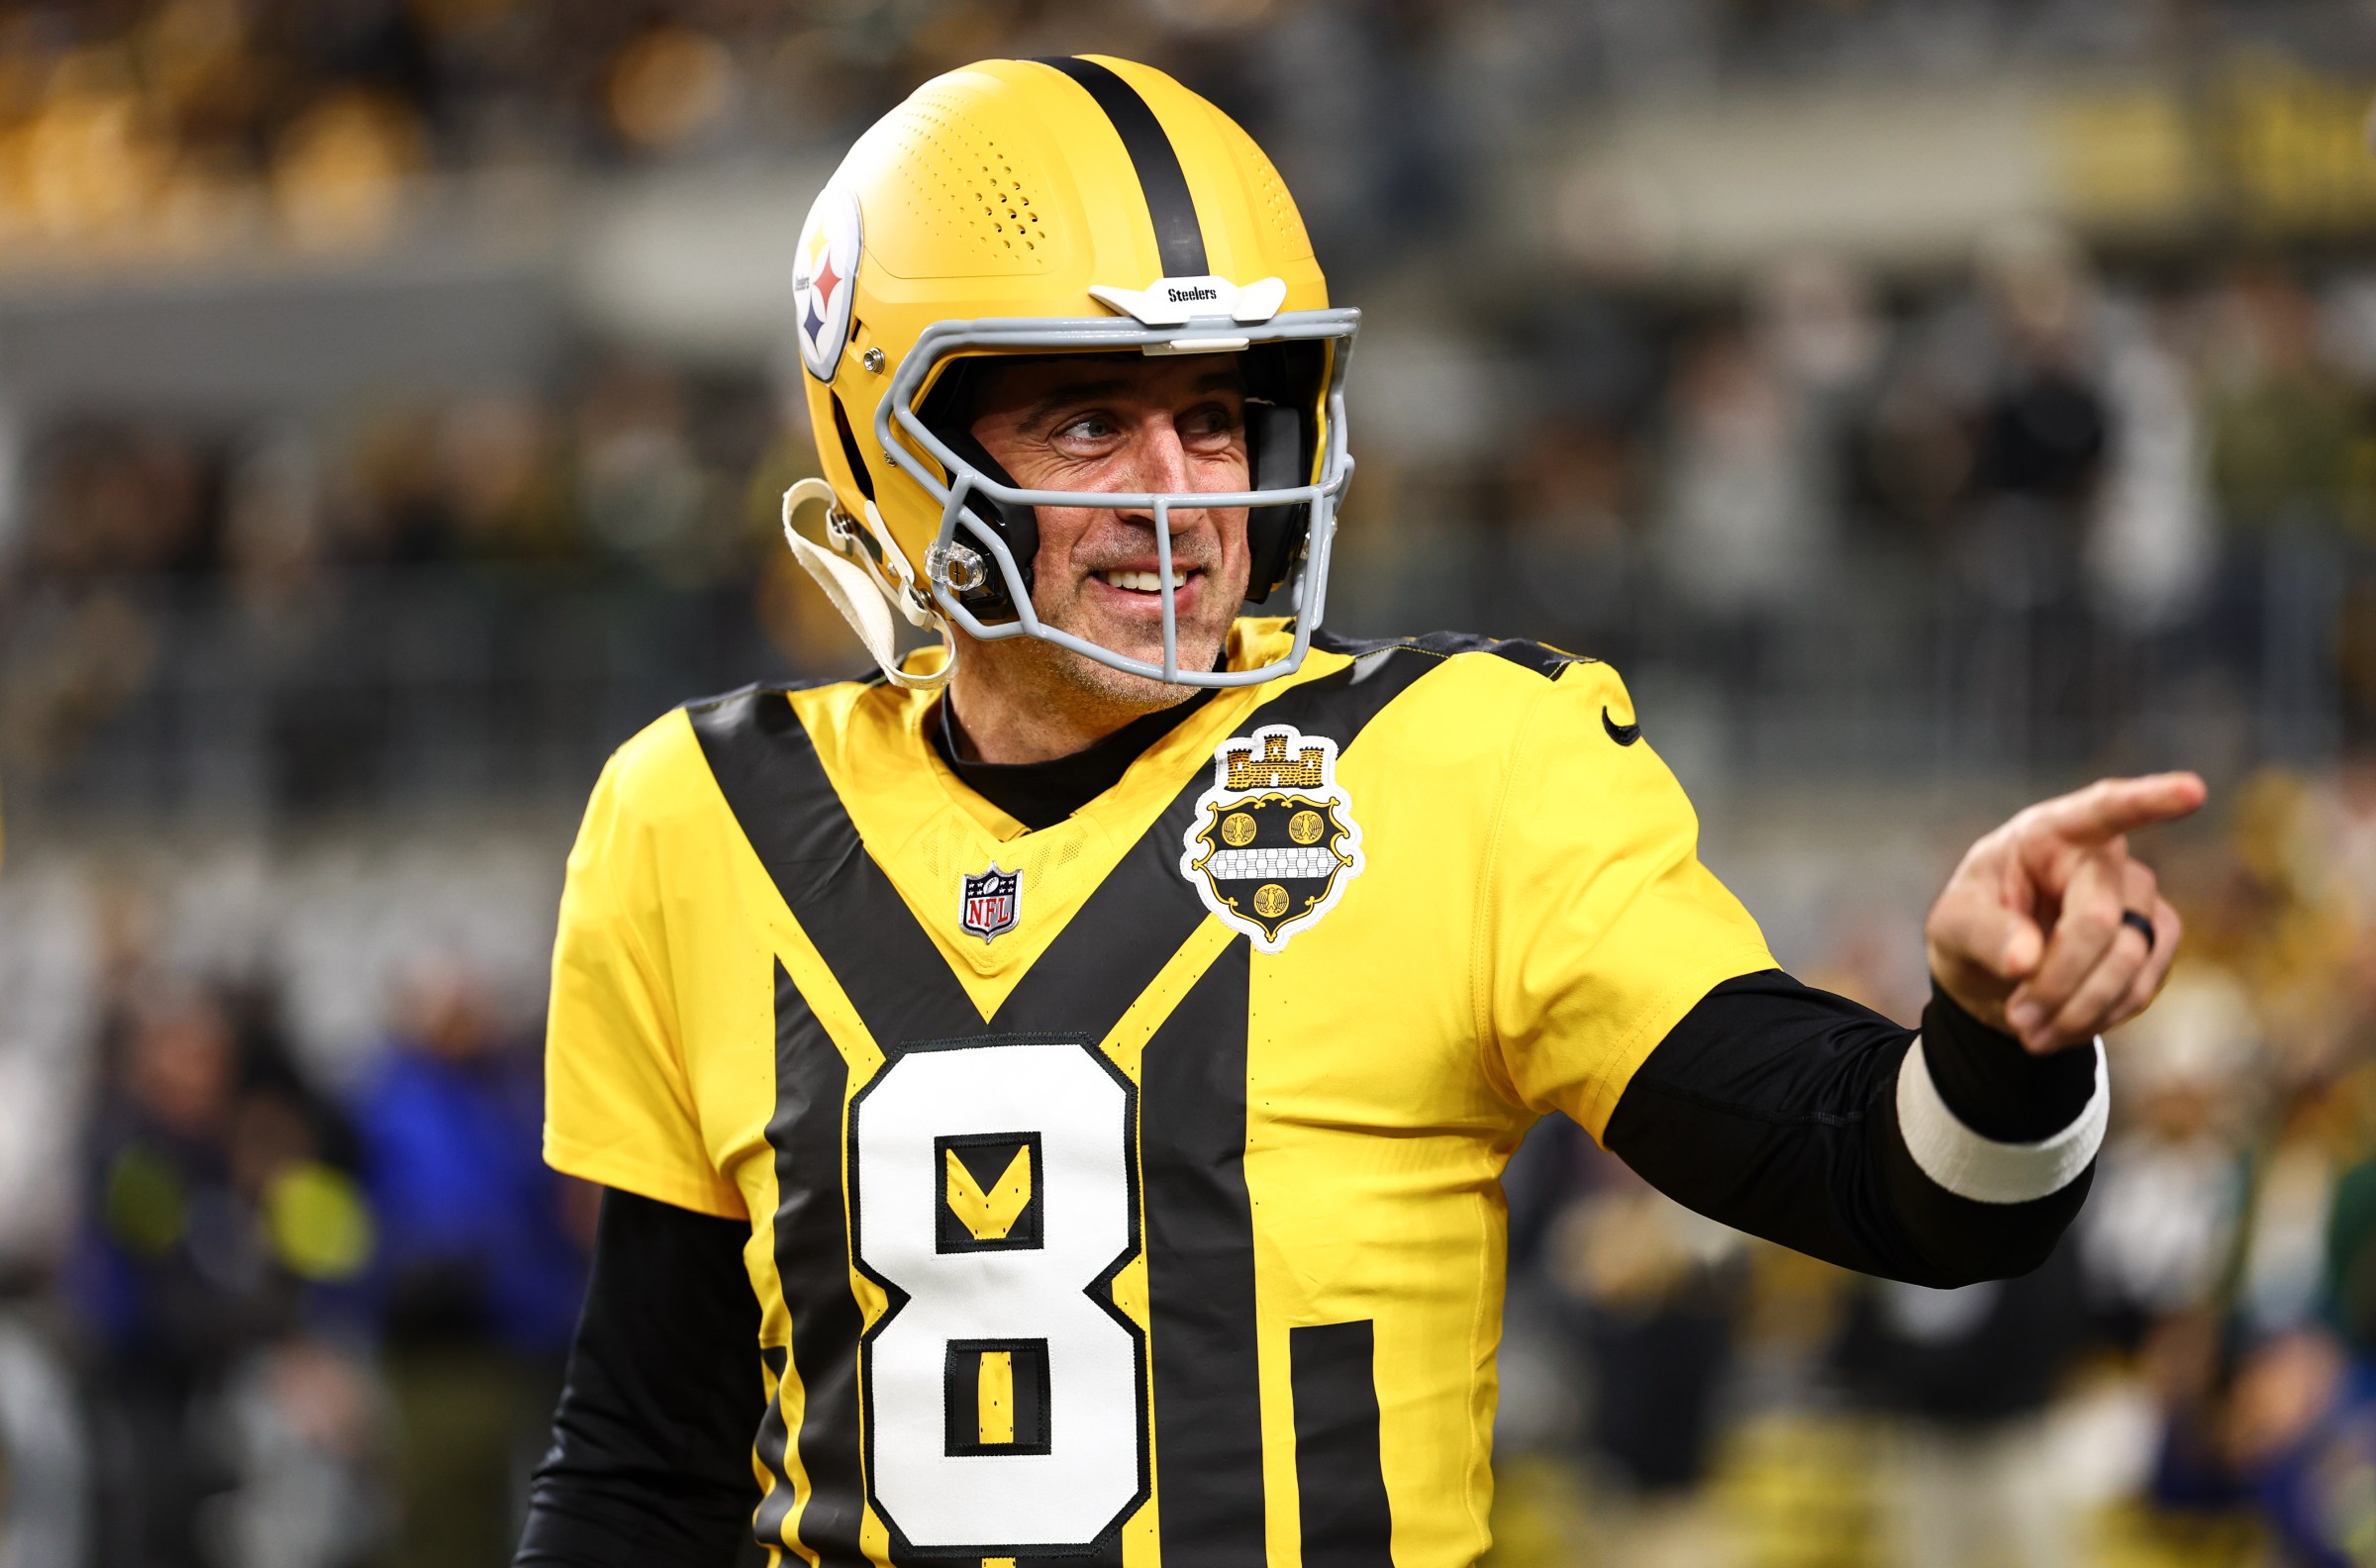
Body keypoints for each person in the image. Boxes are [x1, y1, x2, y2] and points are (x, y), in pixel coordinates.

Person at [516, 56, 2202, 1567]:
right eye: (1091, 422)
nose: (1181, 498)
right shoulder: (701, 820)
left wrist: (2001, 1035)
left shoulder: (1461, 763)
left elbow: (1899, 1187)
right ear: (897, 446)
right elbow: (646, 1467)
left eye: (1214, 419)